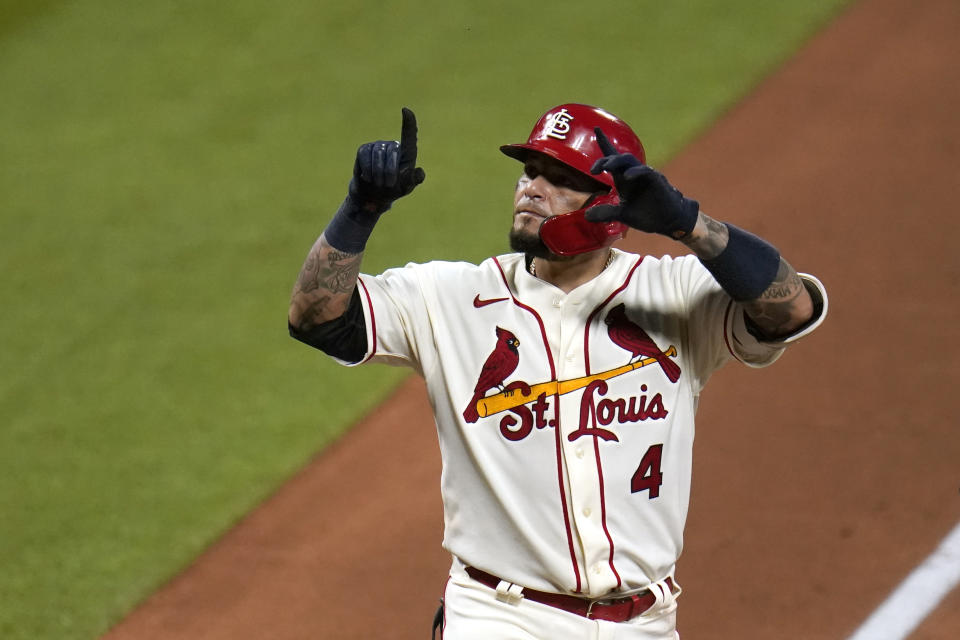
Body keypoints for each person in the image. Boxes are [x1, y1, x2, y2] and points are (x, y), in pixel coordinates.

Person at [288, 104, 827, 639]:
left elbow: (790, 309)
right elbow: (317, 319)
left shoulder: (677, 293)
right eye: (530, 172)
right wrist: (360, 209)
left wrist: (689, 224)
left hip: (646, 623)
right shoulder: (447, 297)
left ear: (613, 205)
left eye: (562, 179)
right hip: (500, 617)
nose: (532, 189)